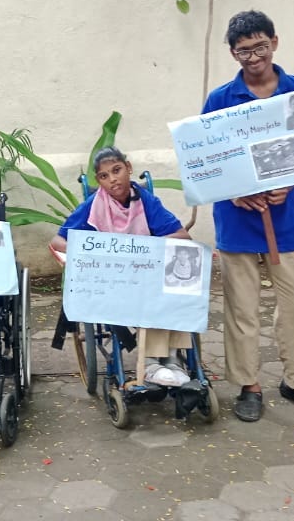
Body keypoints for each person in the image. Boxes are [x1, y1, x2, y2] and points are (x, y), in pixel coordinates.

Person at [203, 10, 294, 422]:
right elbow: (207, 161)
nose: (254, 57)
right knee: (242, 308)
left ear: (275, 42)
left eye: (260, 47)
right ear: (232, 53)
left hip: (285, 219)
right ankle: (249, 385)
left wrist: (289, 183)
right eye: (244, 51)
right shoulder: (221, 100)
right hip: (237, 219)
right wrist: (234, 191)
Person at [50, 147, 203, 400]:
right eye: (104, 176)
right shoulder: (93, 206)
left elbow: (182, 236)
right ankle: (153, 364)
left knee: (178, 288)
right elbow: (58, 242)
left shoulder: (146, 201)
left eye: (117, 170)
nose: (112, 179)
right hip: (112, 281)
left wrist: (149, 248)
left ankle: (173, 362)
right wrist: (94, 253)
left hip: (146, 274)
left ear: (128, 168)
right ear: (98, 181)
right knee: (150, 296)